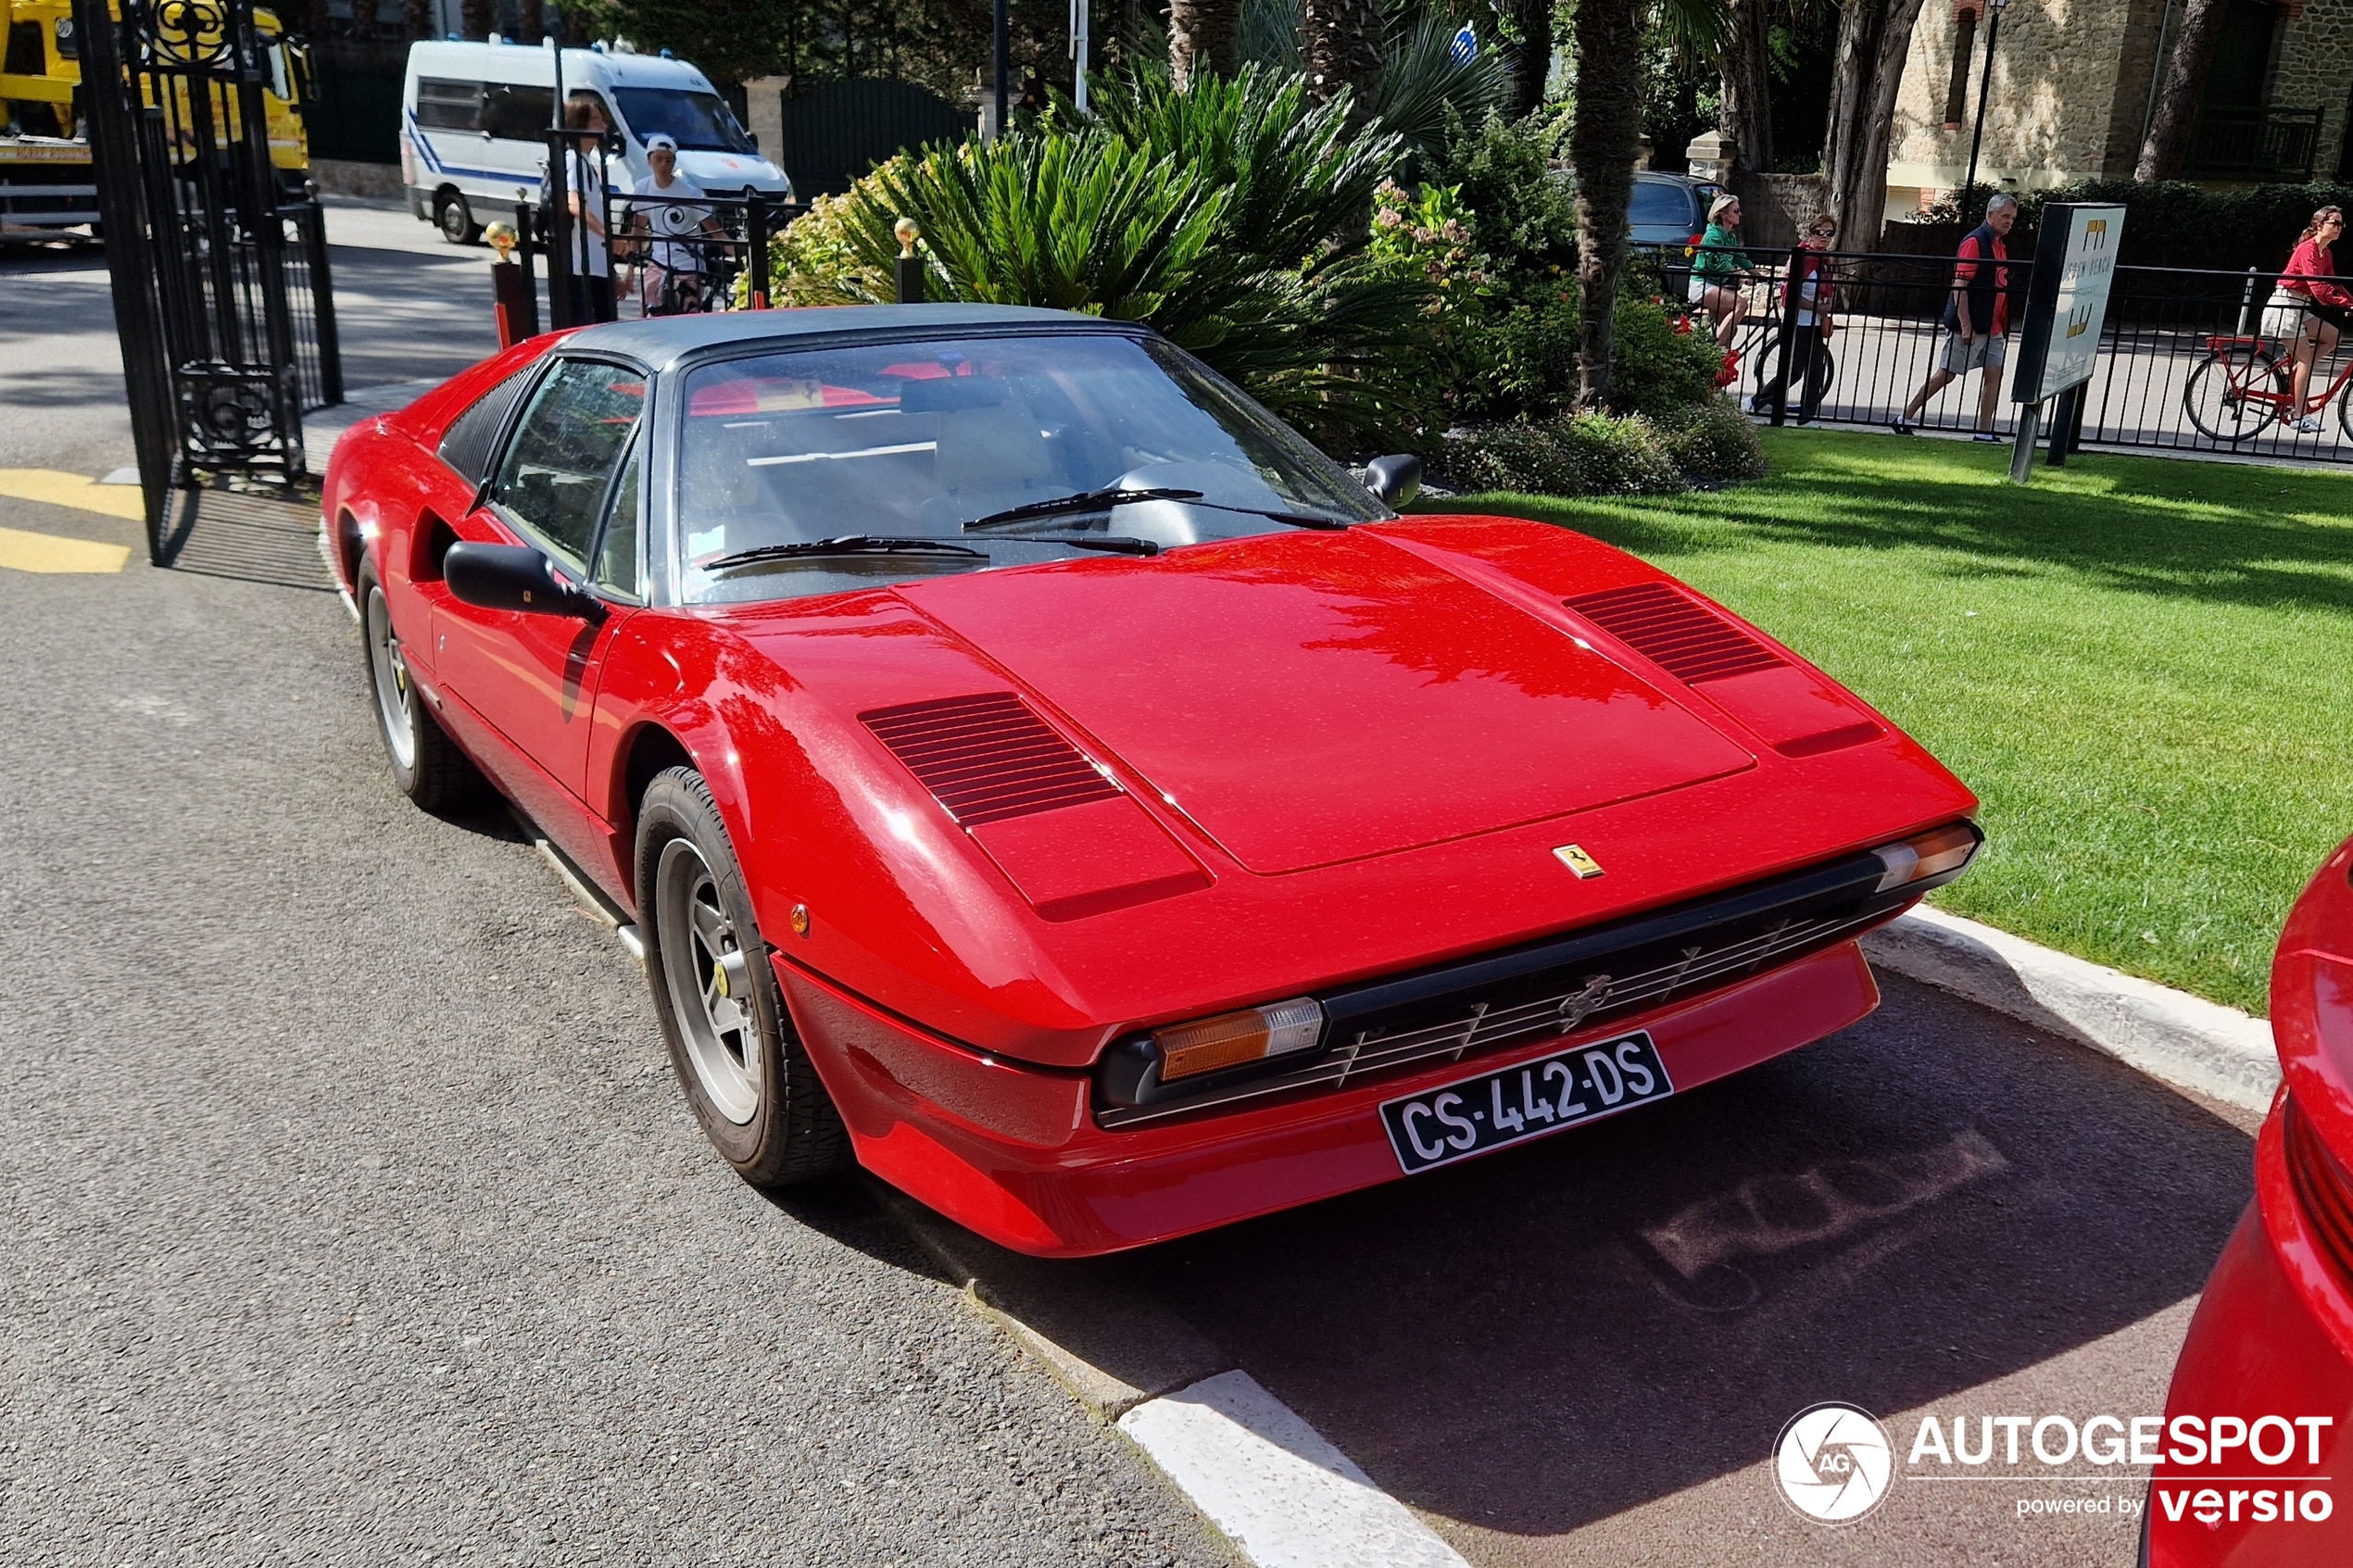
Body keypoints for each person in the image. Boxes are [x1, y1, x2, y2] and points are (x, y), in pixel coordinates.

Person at [1893, 192, 2019, 442]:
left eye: (2012, 218)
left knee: (1995, 375)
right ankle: (1905, 416)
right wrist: (1966, 325)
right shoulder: (1975, 242)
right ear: (1990, 215)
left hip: (1993, 327)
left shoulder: (1999, 244)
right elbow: (1959, 285)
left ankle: (1984, 431)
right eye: (2005, 217)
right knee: (1946, 374)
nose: (2009, 222)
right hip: (1973, 325)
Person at [2261, 205, 2350, 434]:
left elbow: (2334, 283)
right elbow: (2318, 288)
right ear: (2320, 225)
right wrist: (2342, 304)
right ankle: (2298, 415)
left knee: (2332, 337)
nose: (2339, 228)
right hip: (2285, 305)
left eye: (2341, 224)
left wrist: (2350, 301)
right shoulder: (2307, 249)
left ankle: (2299, 368)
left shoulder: (2326, 253)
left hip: (2300, 307)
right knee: (2305, 360)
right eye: (2335, 223)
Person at [1751, 213, 1839, 422]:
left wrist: (1825, 308)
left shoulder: (1823, 260)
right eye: (1820, 232)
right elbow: (1792, 296)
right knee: (1795, 371)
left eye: (1829, 233)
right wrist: (1819, 307)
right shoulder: (1804, 258)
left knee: (1817, 370)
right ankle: (1757, 401)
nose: (1825, 237)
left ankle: (1806, 415)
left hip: (1816, 323)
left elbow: (1826, 291)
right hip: (1799, 323)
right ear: (1811, 234)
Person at [623, 133, 724, 315]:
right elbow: (638, 229)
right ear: (649, 161)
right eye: (658, 159)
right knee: (647, 307)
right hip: (658, 260)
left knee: (685, 310)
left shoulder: (689, 193)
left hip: (687, 261)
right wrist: (630, 270)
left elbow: (714, 229)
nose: (663, 165)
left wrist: (741, 256)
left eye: (668, 160)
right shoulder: (642, 188)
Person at [541, 91, 616, 325]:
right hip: (582, 267)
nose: (604, 126)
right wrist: (608, 235)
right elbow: (574, 204)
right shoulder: (573, 160)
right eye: (596, 120)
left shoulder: (585, 162)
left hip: (595, 265)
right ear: (579, 124)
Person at [1690, 194, 1755, 350]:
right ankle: (1714, 350)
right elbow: (1719, 264)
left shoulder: (1729, 236)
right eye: (1736, 211)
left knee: (1730, 329)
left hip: (1713, 284)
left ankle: (1720, 364)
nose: (1740, 214)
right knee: (1741, 304)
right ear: (1724, 215)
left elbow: (1739, 258)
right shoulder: (1713, 236)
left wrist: (1758, 273)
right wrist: (1742, 277)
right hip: (1702, 285)